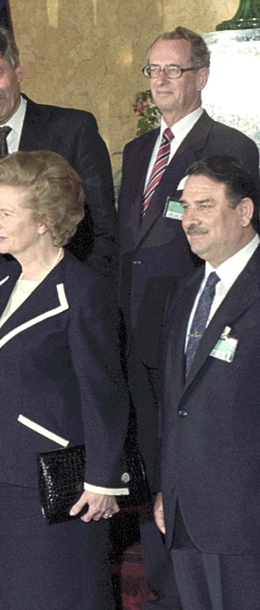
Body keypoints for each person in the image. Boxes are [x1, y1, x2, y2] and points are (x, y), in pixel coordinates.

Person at [117, 27, 260, 610]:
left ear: (201, 75)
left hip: (213, 333)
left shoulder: (231, 147)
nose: (161, 81)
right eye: (152, 70)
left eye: (173, 70)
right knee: (160, 461)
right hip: (146, 336)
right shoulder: (134, 152)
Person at [0, 150, 128, 610]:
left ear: (43, 220)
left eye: (6, 213)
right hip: (0, 477)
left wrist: (103, 480)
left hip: (60, 481)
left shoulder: (83, 291)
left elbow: (104, 392)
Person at [0, 24, 117, 312]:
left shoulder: (73, 130)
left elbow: (103, 225)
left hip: (63, 300)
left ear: (19, 72)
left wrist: (86, 294)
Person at [154, 156, 260, 609]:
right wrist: (166, 486)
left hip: (246, 517)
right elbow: (174, 404)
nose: (190, 219)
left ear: (244, 211)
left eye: (205, 205)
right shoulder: (185, 292)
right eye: (185, 207)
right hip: (184, 513)